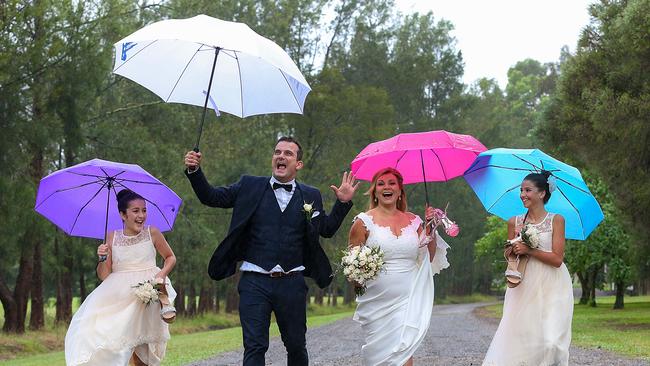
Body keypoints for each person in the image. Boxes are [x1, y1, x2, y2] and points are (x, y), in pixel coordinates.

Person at [183, 136, 359, 366]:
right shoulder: (250, 186)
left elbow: (325, 230)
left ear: (298, 164)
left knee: (296, 345)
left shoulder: (311, 195)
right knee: (255, 346)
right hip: (255, 281)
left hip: (292, 282)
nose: (281, 156)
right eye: (277, 152)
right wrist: (195, 171)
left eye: (288, 153)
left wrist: (343, 203)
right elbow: (212, 197)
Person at [348, 167, 449, 366]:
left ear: (400, 190)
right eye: (381, 183)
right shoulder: (362, 222)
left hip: (408, 297)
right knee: (378, 357)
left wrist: (430, 227)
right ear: (374, 191)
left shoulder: (414, 221)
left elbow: (428, 256)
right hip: (376, 301)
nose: (387, 187)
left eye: (392, 183)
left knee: (403, 351)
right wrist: (360, 273)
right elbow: (351, 269)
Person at [65, 189, 177, 366]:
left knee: (142, 352)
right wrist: (102, 258)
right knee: (107, 340)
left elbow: (170, 257)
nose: (141, 215)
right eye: (136, 211)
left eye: (144, 210)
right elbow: (104, 275)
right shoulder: (111, 237)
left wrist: (161, 275)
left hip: (147, 295)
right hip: (119, 298)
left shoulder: (152, 233)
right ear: (123, 215)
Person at [482, 171, 573, 366]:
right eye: (521, 190)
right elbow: (510, 258)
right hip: (524, 283)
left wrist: (530, 250)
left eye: (528, 190)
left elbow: (557, 259)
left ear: (541, 194)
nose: (522, 194)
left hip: (553, 283)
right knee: (524, 338)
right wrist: (514, 246)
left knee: (552, 342)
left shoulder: (557, 220)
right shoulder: (514, 222)